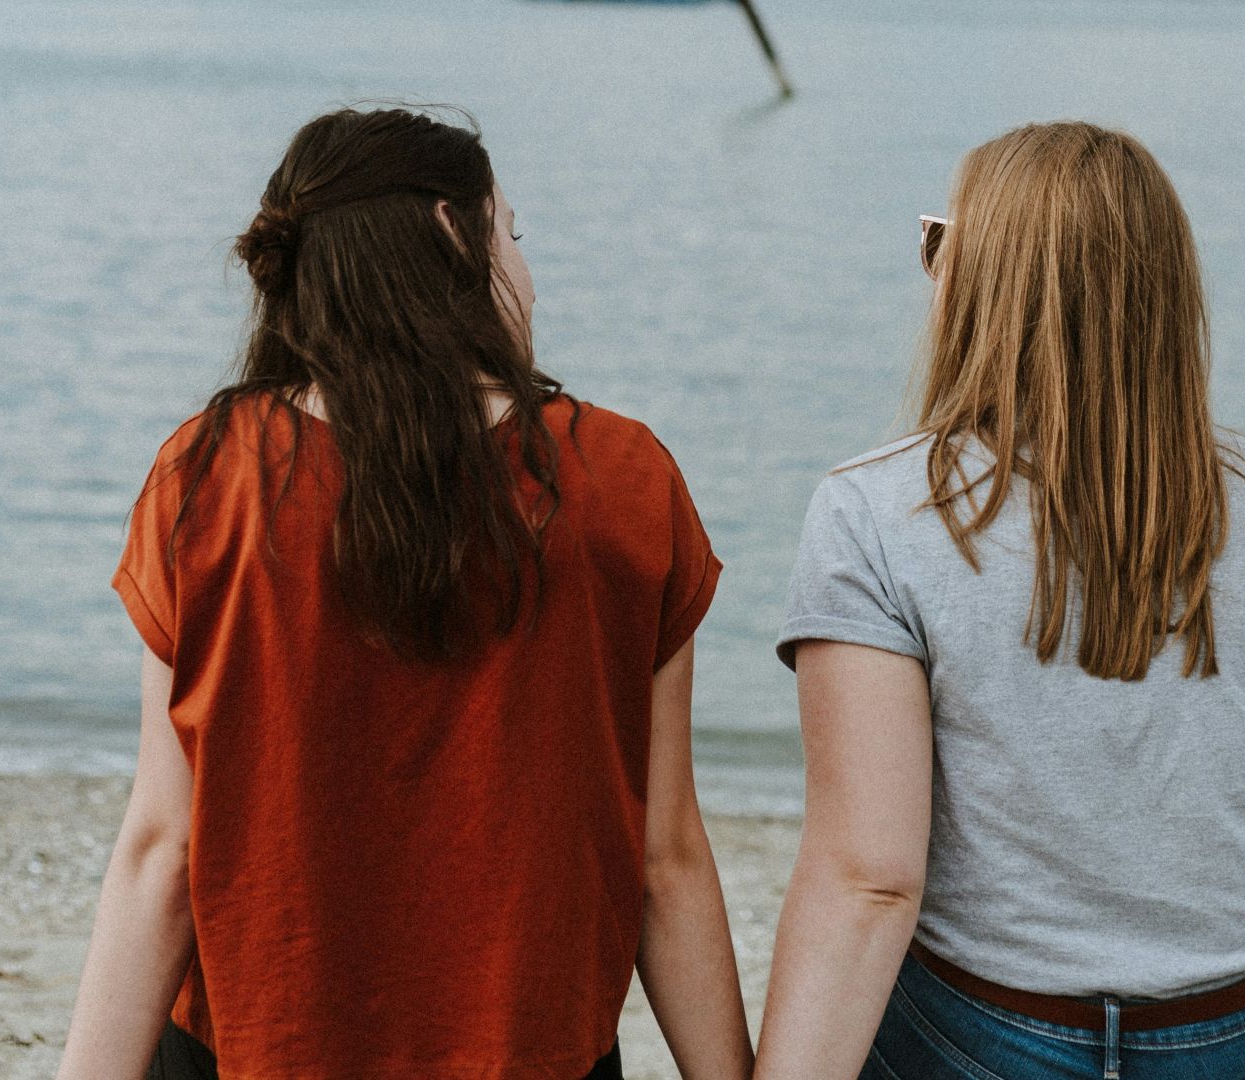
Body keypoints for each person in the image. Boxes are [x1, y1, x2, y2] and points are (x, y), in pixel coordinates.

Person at [55, 107, 754, 1080]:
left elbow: (162, 850)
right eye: (512, 233)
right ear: (447, 233)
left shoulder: (209, 480)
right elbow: (663, 859)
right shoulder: (622, 484)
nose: (529, 273)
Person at [754, 122, 1245, 1080]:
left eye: (941, 244)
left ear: (979, 289)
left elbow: (871, 877)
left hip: (986, 1033)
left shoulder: (878, 512)